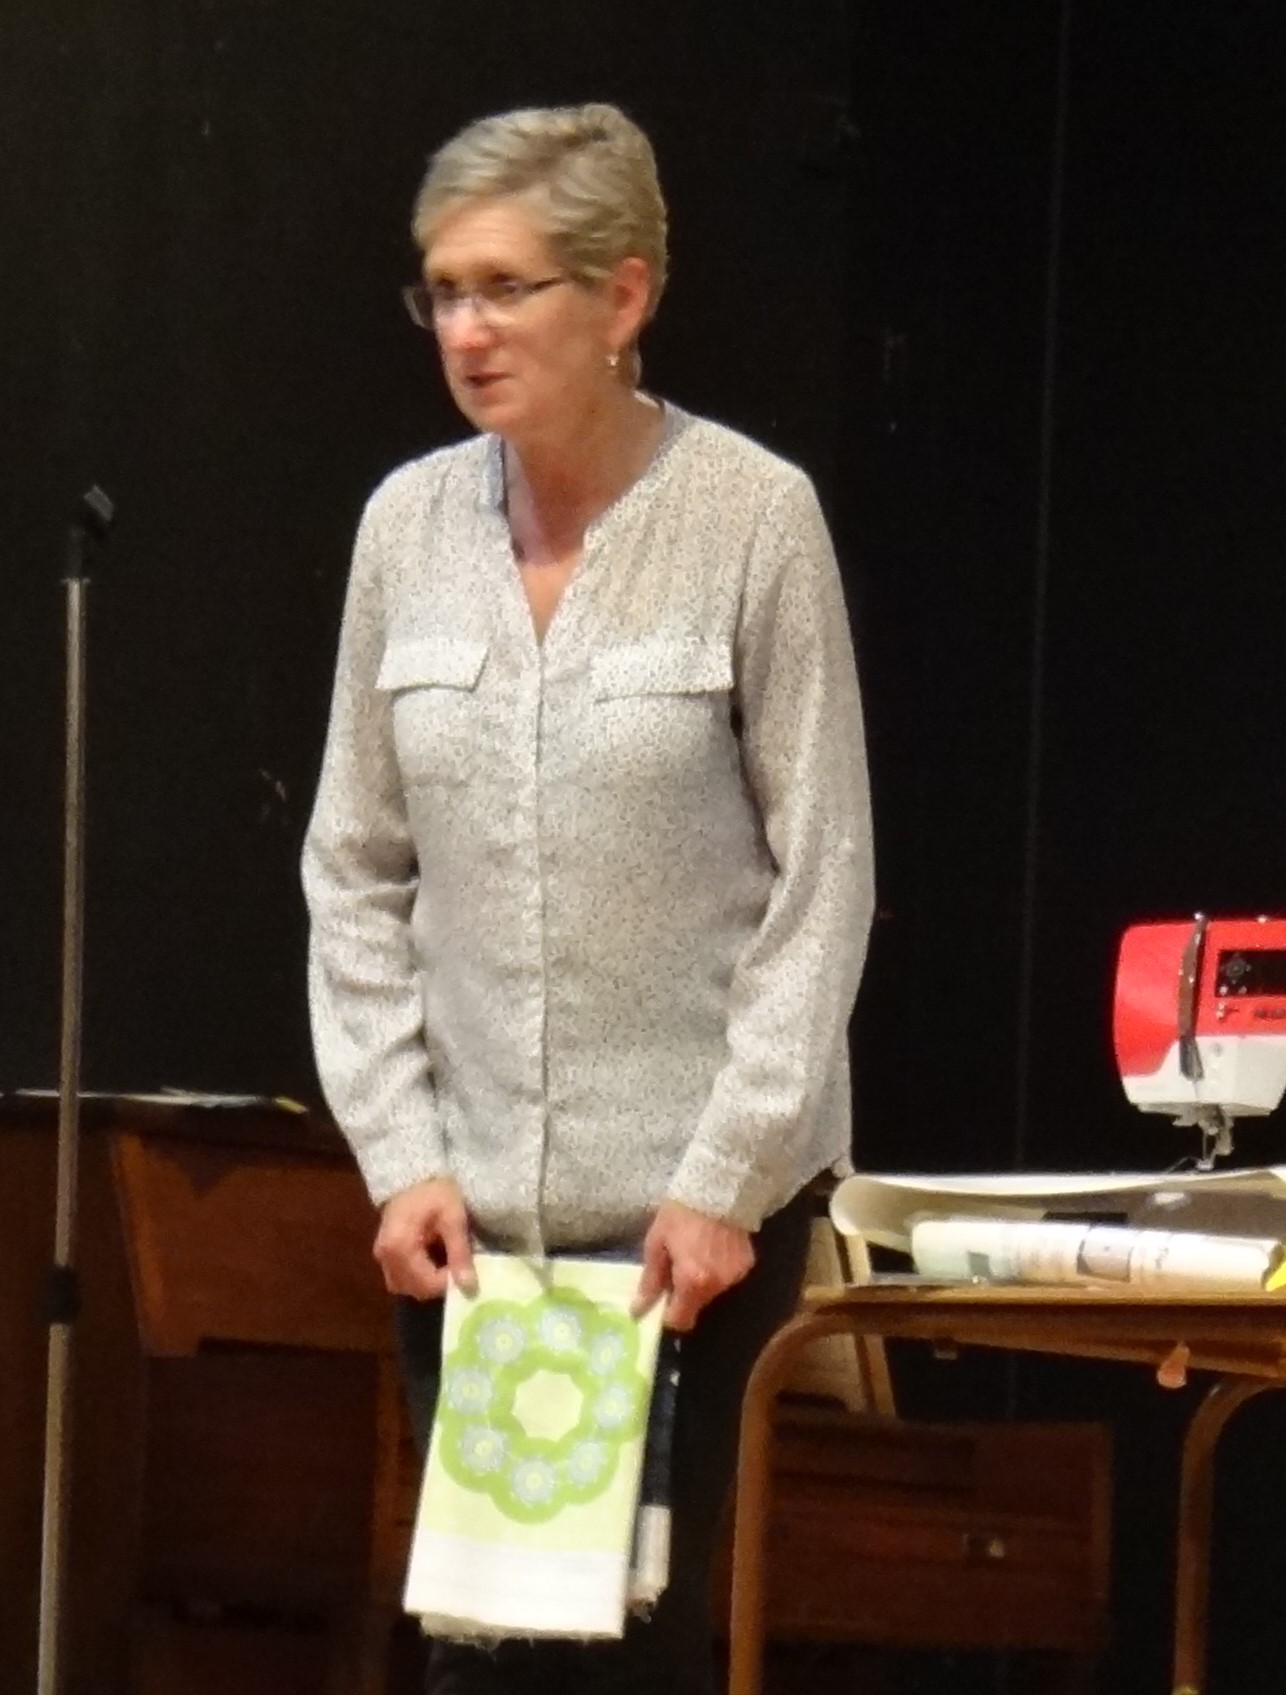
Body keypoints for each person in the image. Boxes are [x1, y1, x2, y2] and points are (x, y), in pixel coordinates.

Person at [301, 102, 874, 1695]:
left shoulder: (752, 517)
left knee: (648, 1655)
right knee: (482, 1659)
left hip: (697, 1234)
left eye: (506, 288)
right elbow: (352, 865)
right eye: (442, 293)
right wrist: (399, 1155)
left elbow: (824, 876)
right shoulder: (406, 527)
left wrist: (726, 1181)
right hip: (475, 1234)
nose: (466, 332)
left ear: (623, 295)